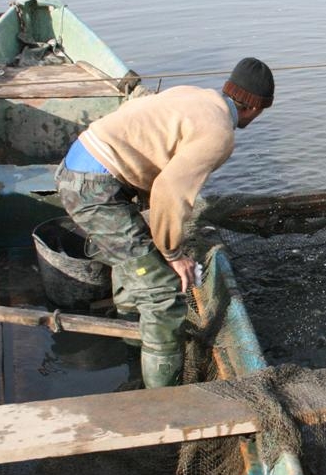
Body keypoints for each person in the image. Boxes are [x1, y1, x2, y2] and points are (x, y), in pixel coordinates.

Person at [55, 57, 276, 388]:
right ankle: (162, 401)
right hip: (95, 189)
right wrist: (173, 254)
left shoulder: (195, 95)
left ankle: (134, 350)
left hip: (79, 166)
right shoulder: (220, 133)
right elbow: (169, 190)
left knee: (137, 260)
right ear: (256, 108)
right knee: (162, 294)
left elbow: (156, 160)